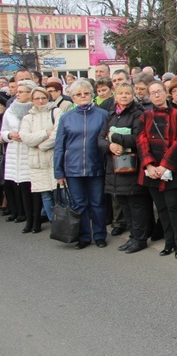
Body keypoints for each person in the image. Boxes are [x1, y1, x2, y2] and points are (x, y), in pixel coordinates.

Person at [136, 81, 177, 259]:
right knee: (161, 208)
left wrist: (164, 165)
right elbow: (141, 140)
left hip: (170, 167)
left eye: (159, 91)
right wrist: (150, 165)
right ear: (149, 97)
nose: (156, 95)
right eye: (152, 93)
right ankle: (169, 243)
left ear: (166, 93)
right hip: (151, 169)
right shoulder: (145, 116)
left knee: (174, 206)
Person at [54, 80, 109, 249]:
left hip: (96, 165)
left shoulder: (103, 114)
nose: (83, 96)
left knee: (98, 203)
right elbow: (59, 145)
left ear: (92, 95)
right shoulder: (66, 118)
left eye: (86, 93)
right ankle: (84, 236)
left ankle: (100, 235)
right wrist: (58, 171)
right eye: (78, 94)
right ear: (73, 98)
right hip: (73, 169)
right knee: (79, 204)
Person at [97, 83, 151, 254]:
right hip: (114, 166)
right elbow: (100, 139)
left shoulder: (138, 114)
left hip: (132, 166)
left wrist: (115, 137)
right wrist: (110, 146)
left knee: (136, 204)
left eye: (128, 93)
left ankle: (140, 238)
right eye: (121, 93)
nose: (124, 96)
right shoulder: (110, 115)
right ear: (115, 96)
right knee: (123, 203)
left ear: (133, 95)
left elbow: (138, 138)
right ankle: (133, 236)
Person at [19, 87, 60, 233]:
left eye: (43, 97)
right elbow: (25, 138)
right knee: (45, 195)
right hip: (37, 162)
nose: (40, 101)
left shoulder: (55, 112)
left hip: (54, 158)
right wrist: (45, 133)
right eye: (37, 98)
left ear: (48, 97)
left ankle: (63, 224)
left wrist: (41, 145)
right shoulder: (28, 118)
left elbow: (57, 135)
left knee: (58, 194)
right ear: (32, 100)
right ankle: (54, 224)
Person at [2, 80, 35, 226]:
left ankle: (33, 217)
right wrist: (9, 135)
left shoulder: (35, 108)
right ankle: (20, 213)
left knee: (30, 186)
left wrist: (27, 135)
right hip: (14, 150)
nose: (18, 94)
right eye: (18, 91)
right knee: (16, 184)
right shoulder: (10, 110)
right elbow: (3, 131)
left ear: (30, 93)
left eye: (21, 91)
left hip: (30, 150)